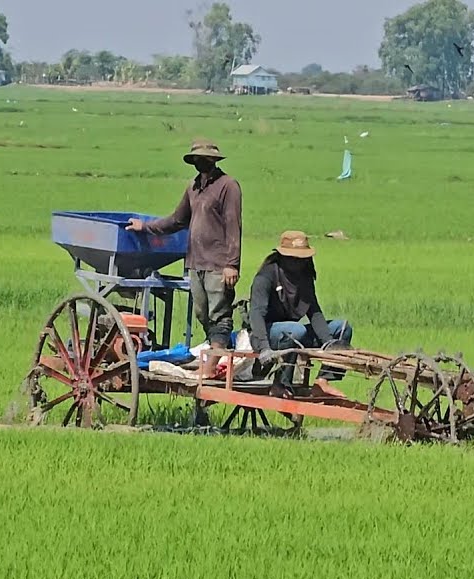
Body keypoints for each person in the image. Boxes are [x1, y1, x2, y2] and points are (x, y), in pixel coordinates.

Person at [126, 139, 241, 351]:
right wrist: (145, 226)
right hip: (196, 262)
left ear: (214, 159)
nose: (200, 161)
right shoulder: (193, 187)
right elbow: (177, 220)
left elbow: (233, 225)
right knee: (202, 313)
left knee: (220, 315)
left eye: (204, 157)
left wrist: (231, 263)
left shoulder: (228, 186)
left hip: (218, 263)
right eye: (197, 158)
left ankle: (215, 361)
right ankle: (218, 353)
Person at [247, 231, 353, 393]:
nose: (300, 262)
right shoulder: (266, 277)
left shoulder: (305, 276)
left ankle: (323, 380)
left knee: (342, 327)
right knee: (296, 331)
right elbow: (256, 315)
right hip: (266, 333)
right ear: (283, 257)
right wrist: (264, 348)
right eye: (295, 258)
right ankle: (280, 384)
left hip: (295, 333)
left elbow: (314, 311)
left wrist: (328, 343)